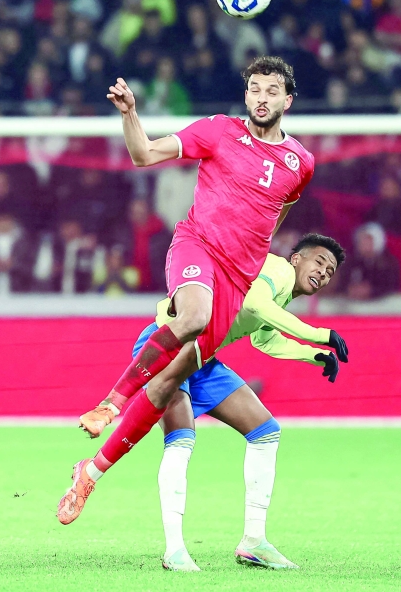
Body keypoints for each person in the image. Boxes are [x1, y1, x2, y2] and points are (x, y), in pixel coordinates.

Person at [58, 56, 315, 526]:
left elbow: (274, 216)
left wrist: (255, 262)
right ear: (246, 95)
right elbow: (144, 156)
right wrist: (129, 114)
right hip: (196, 246)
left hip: (238, 279)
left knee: (167, 383)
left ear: (287, 100)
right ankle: (110, 402)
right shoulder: (218, 131)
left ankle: (90, 472)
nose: (261, 97)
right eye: (254, 88)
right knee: (193, 315)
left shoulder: (300, 163)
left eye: (271, 90)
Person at [145, 234, 348, 571]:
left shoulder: (281, 295)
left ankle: (254, 542)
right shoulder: (276, 268)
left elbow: (263, 339)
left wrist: (313, 356)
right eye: (319, 262)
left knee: (265, 431)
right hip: (168, 346)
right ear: (297, 258)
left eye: (330, 271)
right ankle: (175, 550)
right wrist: (319, 335)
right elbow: (255, 305)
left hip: (202, 359)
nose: (324, 273)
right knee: (181, 438)